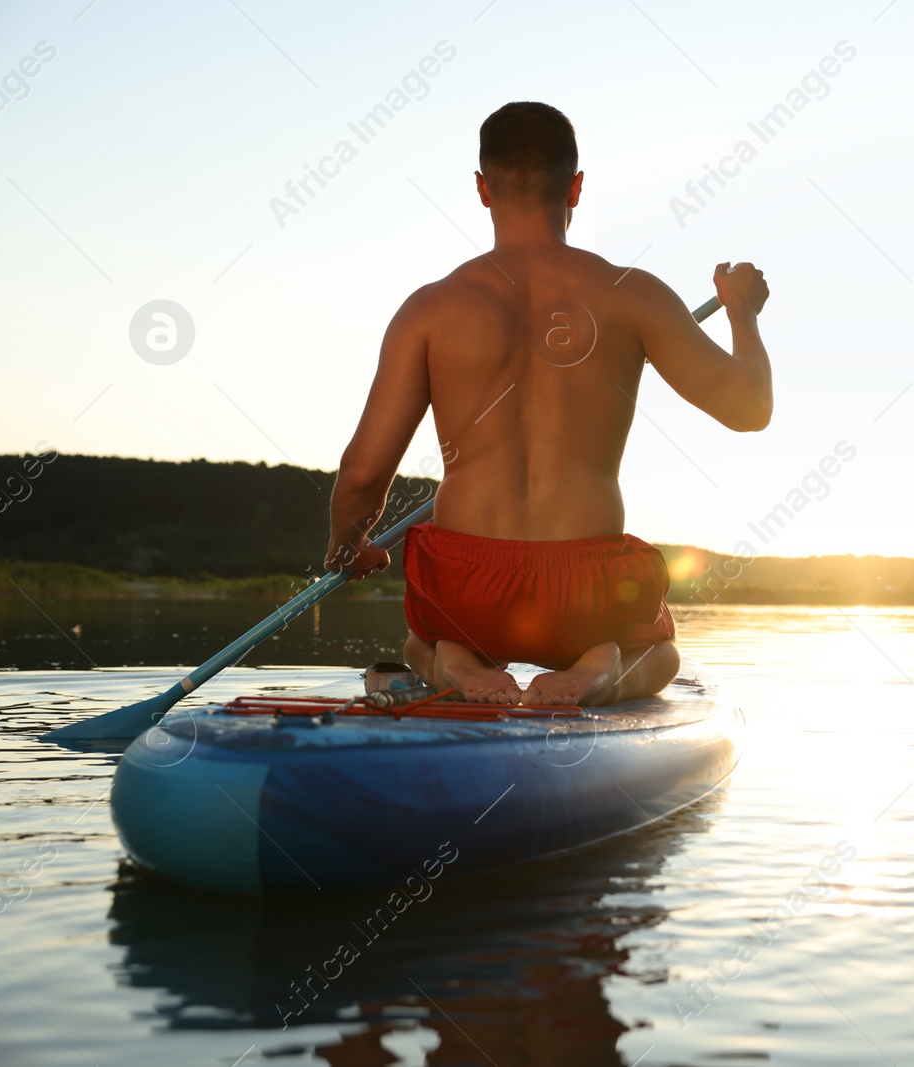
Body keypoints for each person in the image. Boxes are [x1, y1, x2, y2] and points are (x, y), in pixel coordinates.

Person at [322, 102, 771, 707]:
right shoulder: (631, 295)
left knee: (418, 642)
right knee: (661, 653)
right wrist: (742, 313)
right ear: (576, 187)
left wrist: (347, 546)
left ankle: (454, 660)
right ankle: (597, 669)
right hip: (584, 589)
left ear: (482, 189)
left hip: (466, 585)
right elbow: (750, 409)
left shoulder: (429, 309)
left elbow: (364, 474)